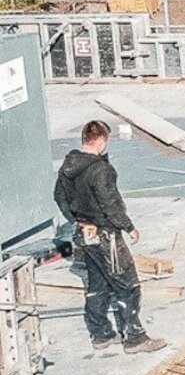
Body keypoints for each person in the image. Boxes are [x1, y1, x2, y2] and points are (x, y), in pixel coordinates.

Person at [53, 120, 167, 354]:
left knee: (97, 283)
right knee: (128, 285)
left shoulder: (68, 166)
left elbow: (59, 197)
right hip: (105, 234)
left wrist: (76, 220)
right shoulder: (100, 170)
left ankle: (101, 334)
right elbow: (110, 204)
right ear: (102, 140)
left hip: (85, 233)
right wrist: (129, 227)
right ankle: (135, 338)